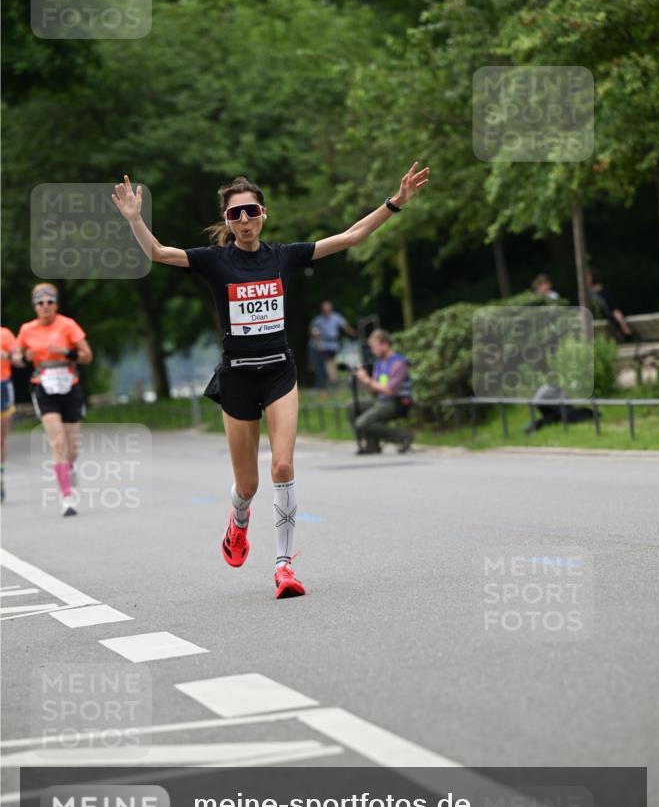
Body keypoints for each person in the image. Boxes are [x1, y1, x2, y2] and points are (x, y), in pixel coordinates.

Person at [111, 162, 429, 598]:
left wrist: (395, 203)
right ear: (227, 221)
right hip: (238, 381)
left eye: (251, 211)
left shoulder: (282, 256)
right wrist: (134, 219)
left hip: (279, 373)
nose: (244, 220)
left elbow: (350, 237)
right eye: (234, 214)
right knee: (248, 485)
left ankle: (284, 566)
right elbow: (158, 253)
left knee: (282, 466)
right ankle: (239, 519)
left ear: (263, 214)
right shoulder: (215, 261)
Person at [16, 284, 93, 517]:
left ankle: (70, 466)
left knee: (72, 447)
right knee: (58, 442)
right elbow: (17, 357)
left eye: (50, 302)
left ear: (56, 305)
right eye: (40, 303)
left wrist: (65, 352)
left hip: (70, 386)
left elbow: (87, 356)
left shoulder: (67, 325)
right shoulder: (27, 329)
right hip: (44, 387)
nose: (45, 306)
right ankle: (67, 497)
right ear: (35, 307)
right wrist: (25, 356)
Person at [348, 329, 413, 455]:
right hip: (381, 400)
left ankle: (403, 436)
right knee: (352, 407)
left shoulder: (399, 363)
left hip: (397, 401)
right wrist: (364, 380)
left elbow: (390, 390)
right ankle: (372, 443)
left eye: (375, 346)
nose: (373, 350)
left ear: (385, 344)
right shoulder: (379, 363)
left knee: (361, 424)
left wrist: (368, 380)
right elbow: (374, 389)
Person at [309, 301, 356, 388]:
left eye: (328, 309)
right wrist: (317, 342)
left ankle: (332, 380)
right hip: (324, 345)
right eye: (325, 310)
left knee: (331, 363)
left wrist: (354, 333)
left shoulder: (336, 317)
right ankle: (332, 381)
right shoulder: (318, 320)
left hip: (334, 345)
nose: (327, 311)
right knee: (328, 362)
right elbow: (313, 331)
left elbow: (345, 327)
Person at [587, 268, 632, 341]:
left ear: (593, 277)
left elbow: (613, 307)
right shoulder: (585, 293)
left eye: (588, 276)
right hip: (595, 317)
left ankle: (624, 331)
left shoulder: (603, 290)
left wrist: (623, 324)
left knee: (613, 314)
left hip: (606, 315)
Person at [1, 325, 18, 503]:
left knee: (1, 438)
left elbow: (19, 358)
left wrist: (6, 356)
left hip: (2, 386)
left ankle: (0, 475)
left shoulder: (4, 334)